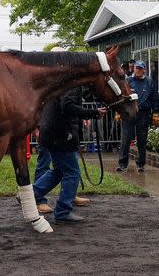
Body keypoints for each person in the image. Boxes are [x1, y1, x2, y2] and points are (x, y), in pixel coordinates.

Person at [33, 87, 106, 222]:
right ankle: (63, 211)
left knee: (59, 171)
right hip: (61, 134)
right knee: (72, 172)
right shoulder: (72, 84)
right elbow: (67, 106)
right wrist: (92, 112)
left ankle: (31, 195)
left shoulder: (62, 81)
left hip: (51, 131)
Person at [117, 60, 159, 173]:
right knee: (125, 139)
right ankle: (122, 164)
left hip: (143, 114)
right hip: (128, 114)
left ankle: (141, 164)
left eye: (140, 68)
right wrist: (118, 111)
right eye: (136, 68)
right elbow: (120, 97)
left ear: (144, 69)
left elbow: (155, 98)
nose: (138, 70)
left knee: (142, 140)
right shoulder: (127, 81)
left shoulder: (150, 82)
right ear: (133, 69)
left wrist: (155, 112)